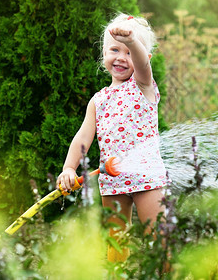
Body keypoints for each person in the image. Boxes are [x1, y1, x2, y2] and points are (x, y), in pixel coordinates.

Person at [56, 13, 171, 262]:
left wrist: (132, 41)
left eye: (129, 52)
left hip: (147, 177)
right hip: (113, 179)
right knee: (116, 241)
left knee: (159, 238)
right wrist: (68, 167)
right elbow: (83, 137)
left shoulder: (143, 85)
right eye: (114, 50)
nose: (121, 57)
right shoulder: (98, 100)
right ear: (104, 54)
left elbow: (142, 65)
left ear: (143, 57)